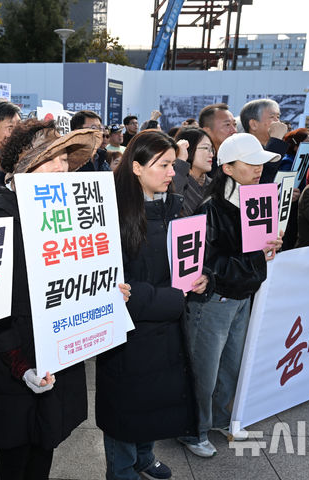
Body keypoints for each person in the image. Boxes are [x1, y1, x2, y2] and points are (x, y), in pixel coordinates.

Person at [0, 119, 118, 480]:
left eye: (65, 159)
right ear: (23, 165)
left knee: (45, 445)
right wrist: (19, 364)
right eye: (49, 159)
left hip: (58, 350)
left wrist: (106, 290)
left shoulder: (72, 213)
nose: (61, 167)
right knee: (15, 451)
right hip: (14, 358)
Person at [97, 130, 205, 480]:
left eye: (173, 164)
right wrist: (175, 298)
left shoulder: (175, 206)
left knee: (156, 403)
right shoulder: (112, 214)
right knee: (126, 411)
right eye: (164, 165)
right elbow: (119, 287)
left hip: (168, 330)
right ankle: (123, 469)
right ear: (137, 167)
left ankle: (145, 457)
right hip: (129, 337)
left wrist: (202, 279)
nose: (173, 173)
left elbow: (191, 260)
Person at [179, 132, 283, 458]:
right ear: (228, 168)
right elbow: (204, 265)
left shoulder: (259, 200)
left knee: (231, 366)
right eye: (250, 163)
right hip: (213, 300)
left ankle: (220, 420)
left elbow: (251, 253)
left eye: (260, 163)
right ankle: (192, 431)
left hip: (242, 296)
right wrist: (253, 258)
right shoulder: (212, 207)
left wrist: (269, 249)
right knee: (203, 371)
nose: (258, 169)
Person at [239, 98, 287, 183]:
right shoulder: (243, 151)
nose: (277, 122)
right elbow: (263, 178)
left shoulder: (270, 146)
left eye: (278, 117)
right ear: (254, 124)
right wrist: (276, 139)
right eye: (272, 117)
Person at [174, 127, 214, 217]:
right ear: (188, 149)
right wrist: (180, 162)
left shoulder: (214, 185)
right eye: (206, 148)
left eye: (212, 150)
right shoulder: (174, 183)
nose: (211, 154)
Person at [198, 103, 237, 177]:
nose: (234, 130)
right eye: (227, 125)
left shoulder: (237, 160)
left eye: (235, 125)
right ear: (207, 131)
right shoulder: (199, 165)